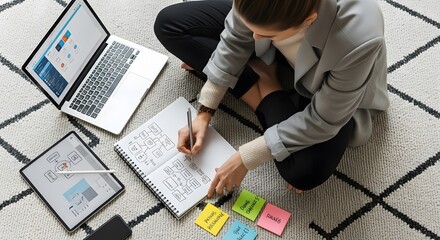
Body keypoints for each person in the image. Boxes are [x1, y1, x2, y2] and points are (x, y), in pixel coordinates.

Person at [154, 0, 389, 197]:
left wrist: (246, 157)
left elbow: (324, 120)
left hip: (324, 90)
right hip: (273, 27)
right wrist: (205, 111)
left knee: (305, 173)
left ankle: (266, 86)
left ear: (308, 20)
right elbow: (237, 36)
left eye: (264, 34)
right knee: (169, 24)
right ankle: (261, 78)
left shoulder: (357, 38)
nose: (253, 37)